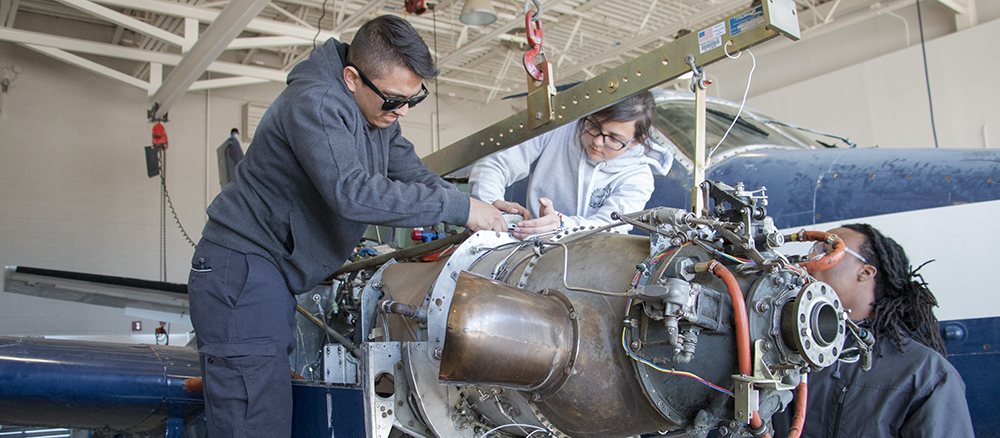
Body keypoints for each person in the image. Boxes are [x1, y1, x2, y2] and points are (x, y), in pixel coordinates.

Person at [187, 16, 508, 438]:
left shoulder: (377, 116)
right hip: (243, 268)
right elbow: (352, 193)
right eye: (394, 99)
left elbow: (411, 170)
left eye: (414, 98)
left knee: (271, 411)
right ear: (352, 78)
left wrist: (477, 207)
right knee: (254, 421)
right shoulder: (317, 103)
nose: (403, 110)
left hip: (271, 274)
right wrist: (460, 207)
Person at [772, 224, 974, 438]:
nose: (810, 258)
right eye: (812, 250)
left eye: (826, 251)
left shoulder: (927, 374)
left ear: (866, 272)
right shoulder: (783, 351)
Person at [468, 91, 672, 238]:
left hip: (588, 263)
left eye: (613, 138)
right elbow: (494, 165)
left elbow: (610, 226)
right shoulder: (559, 129)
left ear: (636, 140)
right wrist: (489, 207)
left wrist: (561, 224)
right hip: (531, 247)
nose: (598, 142)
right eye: (593, 126)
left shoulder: (638, 178)